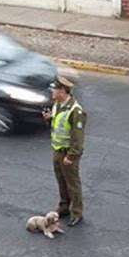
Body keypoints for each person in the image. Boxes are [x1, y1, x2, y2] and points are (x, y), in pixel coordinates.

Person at [42, 75, 87, 227]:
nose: (52, 92)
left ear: (62, 91)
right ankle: (64, 207)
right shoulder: (57, 104)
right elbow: (58, 126)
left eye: (54, 89)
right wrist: (49, 119)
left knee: (72, 184)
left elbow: (77, 137)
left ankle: (76, 212)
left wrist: (72, 155)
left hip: (68, 153)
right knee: (61, 181)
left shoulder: (76, 111)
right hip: (57, 150)